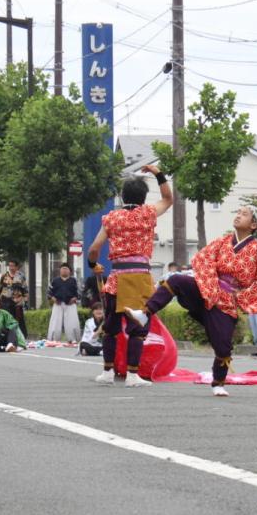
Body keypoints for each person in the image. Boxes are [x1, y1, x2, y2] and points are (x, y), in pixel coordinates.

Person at [130, 205, 257, 396]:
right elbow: (202, 259)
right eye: (238, 212)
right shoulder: (222, 241)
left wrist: (241, 297)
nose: (239, 215)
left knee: (223, 347)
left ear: (254, 224)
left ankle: (218, 383)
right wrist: (209, 283)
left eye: (245, 214)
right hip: (208, 290)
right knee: (176, 280)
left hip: (227, 302)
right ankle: (145, 313)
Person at [88, 164, 173, 386]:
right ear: (144, 197)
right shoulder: (148, 214)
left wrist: (93, 264)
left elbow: (94, 248)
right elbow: (167, 198)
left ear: (122, 196)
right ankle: (133, 375)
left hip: (116, 278)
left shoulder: (112, 218)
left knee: (111, 326)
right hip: (140, 278)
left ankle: (107, 372)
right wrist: (157, 173)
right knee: (137, 328)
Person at [47, 263, 81, 342]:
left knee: (72, 322)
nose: (64, 270)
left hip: (70, 304)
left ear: (70, 271)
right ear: (60, 271)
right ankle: (54, 339)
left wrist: (75, 298)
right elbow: (49, 292)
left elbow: (79, 292)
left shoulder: (74, 280)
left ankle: (73, 339)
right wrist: (53, 298)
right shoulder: (55, 280)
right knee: (55, 322)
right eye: (62, 269)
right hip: (58, 303)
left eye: (66, 269)